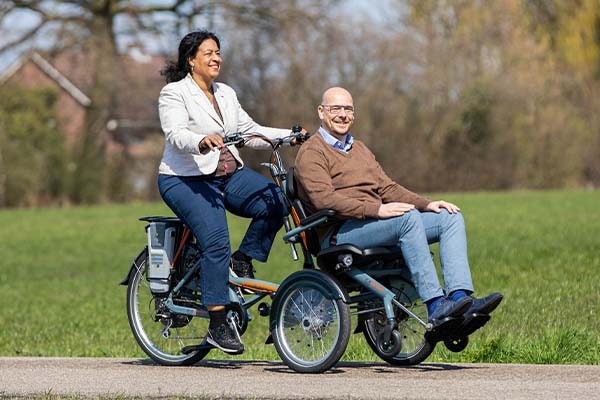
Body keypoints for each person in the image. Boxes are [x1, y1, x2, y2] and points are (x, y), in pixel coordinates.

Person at [294, 87, 503, 340]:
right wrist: (377, 209)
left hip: (373, 224)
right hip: (338, 232)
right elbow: (323, 199)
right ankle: (436, 305)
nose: (342, 115)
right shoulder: (311, 152)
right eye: (335, 108)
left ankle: (460, 300)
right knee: (406, 219)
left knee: (450, 217)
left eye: (348, 109)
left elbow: (387, 187)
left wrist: (427, 204)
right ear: (321, 112)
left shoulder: (359, 149)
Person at [157, 30, 303, 354]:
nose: (215, 58)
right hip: (186, 179)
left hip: (227, 175)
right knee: (216, 240)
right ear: (191, 60)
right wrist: (201, 140)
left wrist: (288, 136)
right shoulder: (174, 94)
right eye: (208, 52)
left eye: (218, 52)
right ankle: (218, 323)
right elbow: (176, 132)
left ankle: (243, 259)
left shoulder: (225, 94)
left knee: (277, 199)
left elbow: (250, 131)